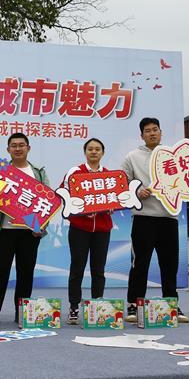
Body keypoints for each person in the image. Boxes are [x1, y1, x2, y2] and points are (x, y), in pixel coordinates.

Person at [122, 117, 189, 323]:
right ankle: (134, 304)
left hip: (169, 218)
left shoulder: (173, 155)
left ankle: (171, 305)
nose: (152, 133)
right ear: (141, 135)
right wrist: (137, 191)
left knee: (169, 264)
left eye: (155, 129)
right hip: (143, 218)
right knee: (140, 264)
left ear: (161, 132)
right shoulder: (132, 157)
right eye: (147, 131)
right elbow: (122, 183)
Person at [0, 133, 50, 324]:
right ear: (8, 150)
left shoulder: (38, 172)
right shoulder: (0, 171)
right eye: (13, 145)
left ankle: (22, 313)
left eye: (21, 145)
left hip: (29, 232)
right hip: (4, 230)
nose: (18, 148)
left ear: (28, 148)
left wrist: (40, 227)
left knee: (26, 271)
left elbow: (48, 202)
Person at [61, 138, 113, 325]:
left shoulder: (110, 175)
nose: (94, 152)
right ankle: (74, 307)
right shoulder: (75, 172)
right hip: (79, 229)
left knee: (99, 270)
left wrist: (112, 206)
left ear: (102, 153)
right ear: (85, 152)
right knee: (77, 269)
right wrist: (80, 211)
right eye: (90, 149)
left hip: (102, 230)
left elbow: (117, 198)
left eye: (97, 149)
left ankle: (97, 307)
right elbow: (64, 195)